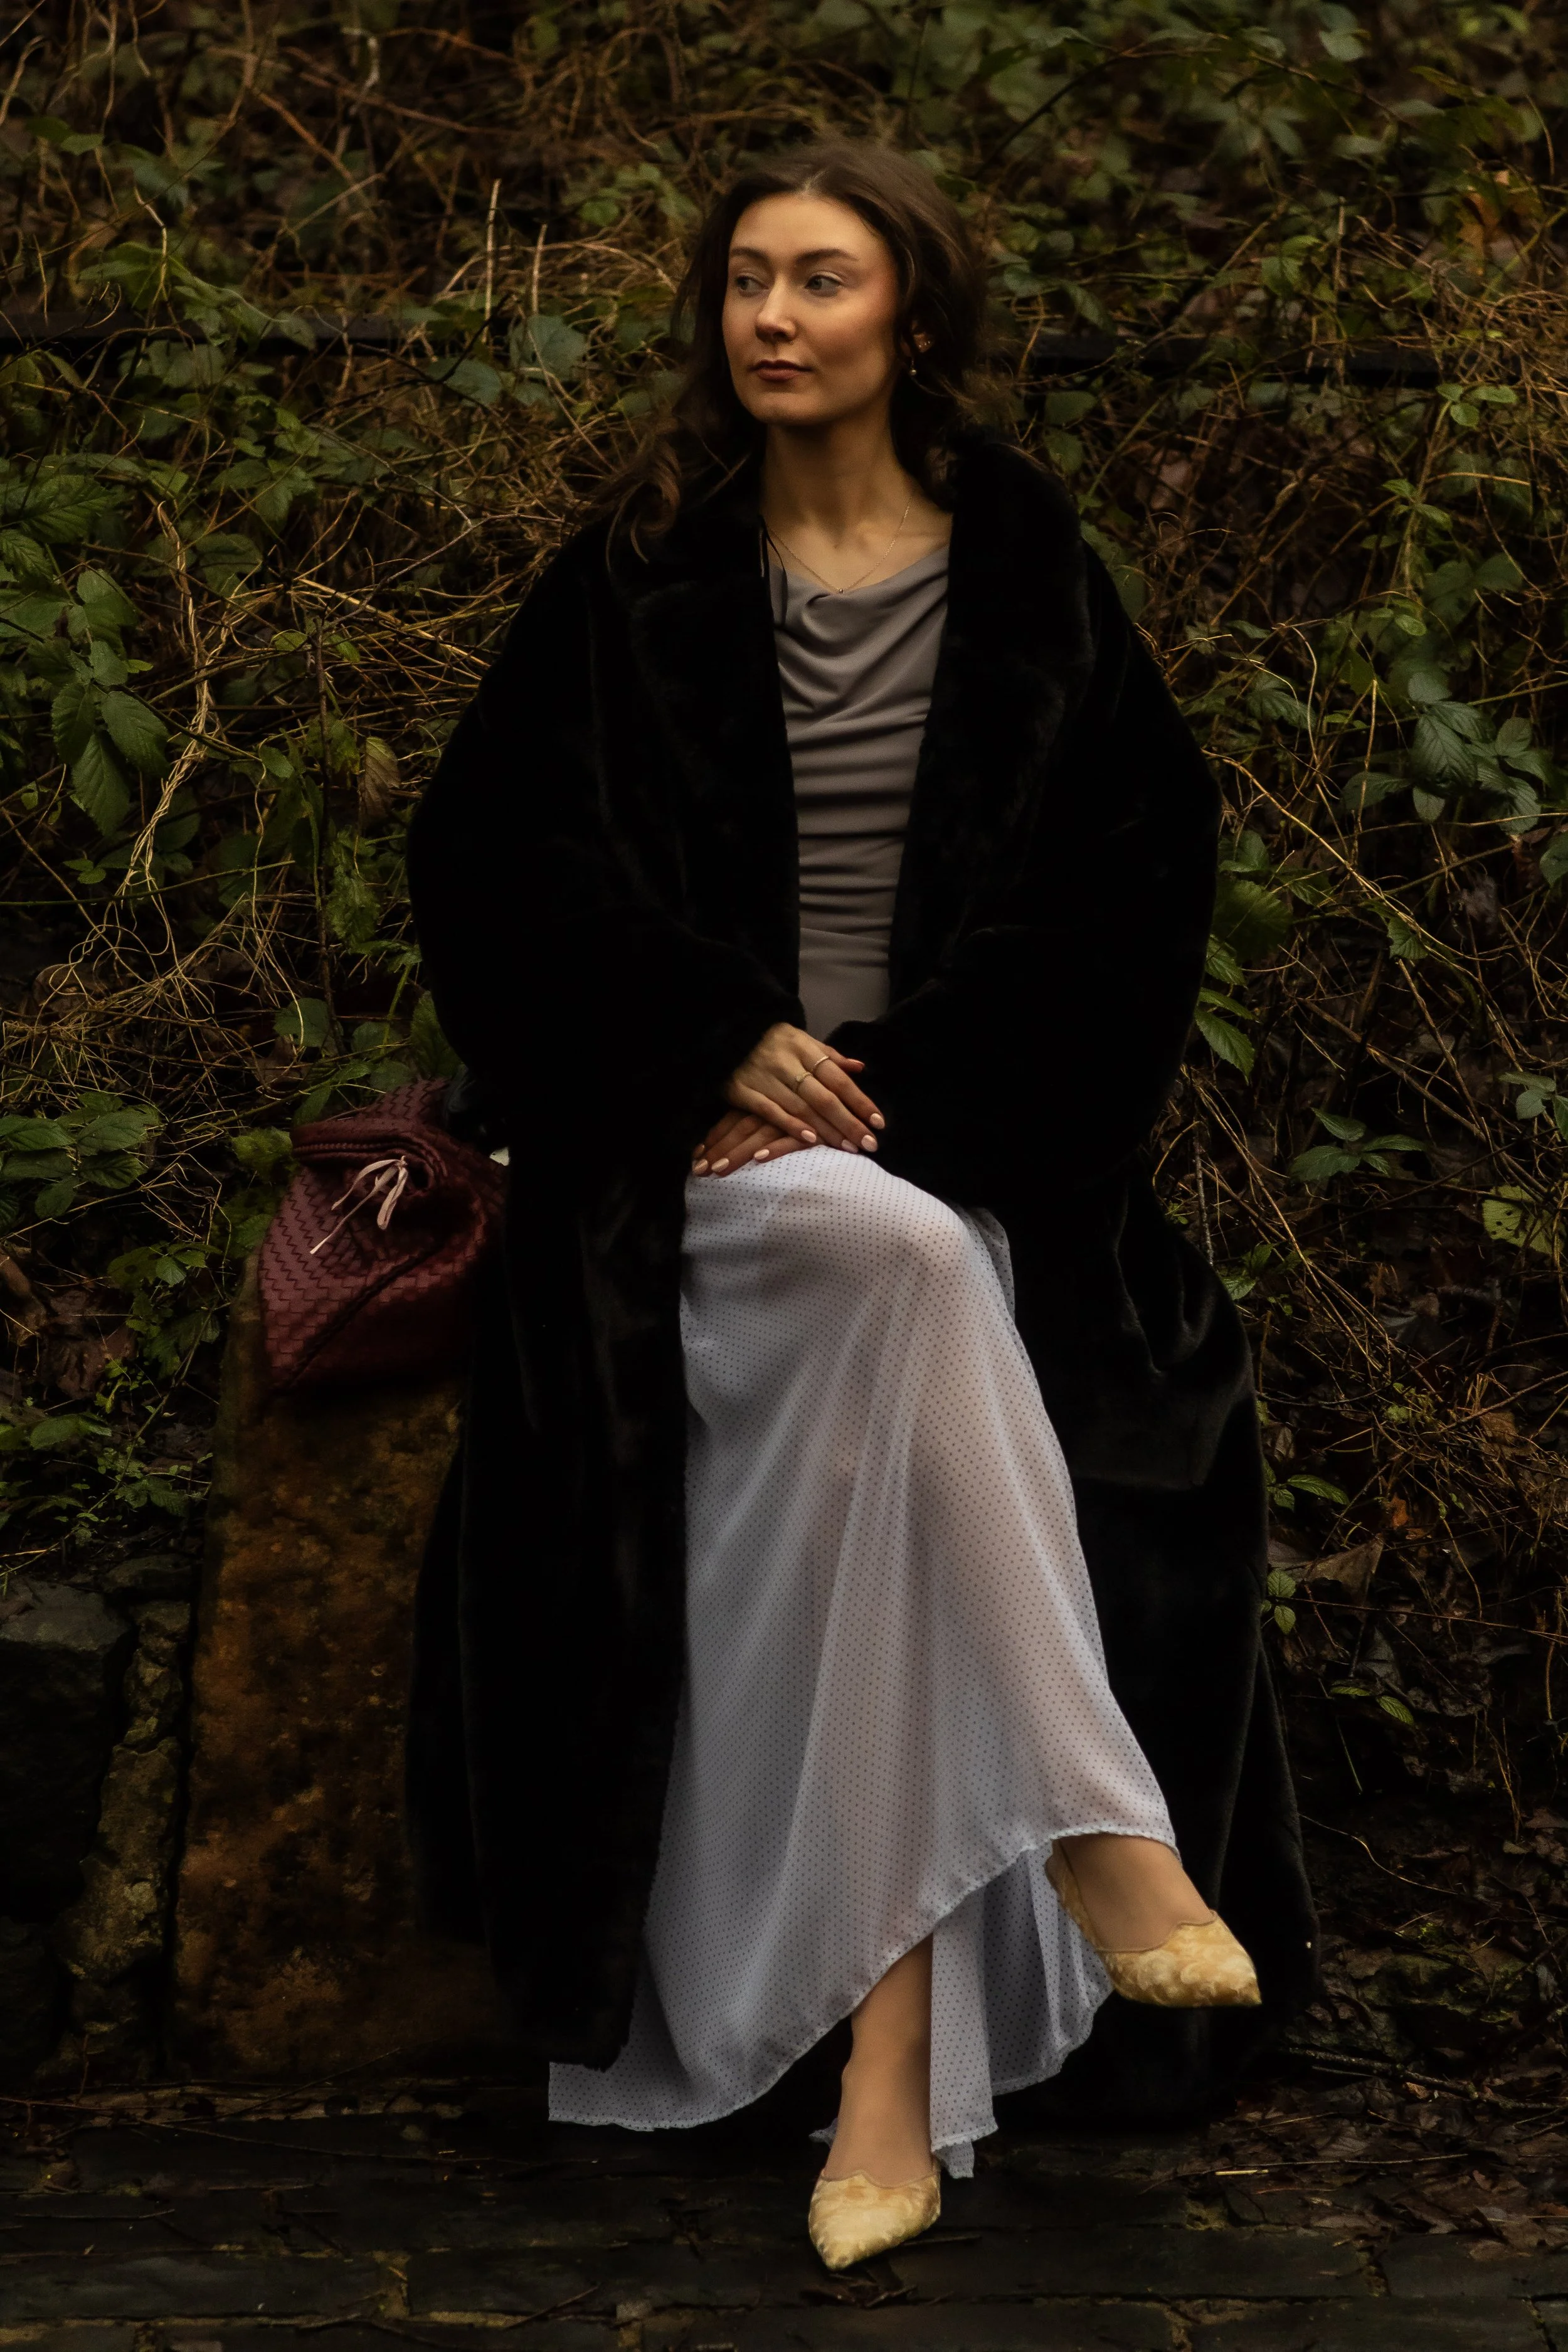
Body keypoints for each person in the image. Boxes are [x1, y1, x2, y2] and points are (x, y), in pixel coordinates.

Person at [405, 139, 1317, 2270]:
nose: (771, 318)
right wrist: (709, 1038)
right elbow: (493, 864)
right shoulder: (638, 571)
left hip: (942, 1163)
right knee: (910, 1275)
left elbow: (1129, 896)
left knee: (908, 1351)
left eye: (819, 279)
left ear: (914, 312)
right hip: (681, 1185)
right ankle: (1108, 1839)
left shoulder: (1019, 563)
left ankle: (884, 2088)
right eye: (743, 280)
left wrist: (897, 1103)